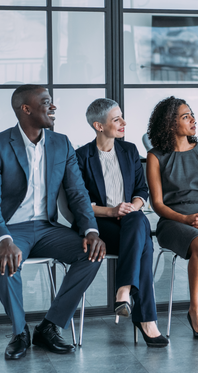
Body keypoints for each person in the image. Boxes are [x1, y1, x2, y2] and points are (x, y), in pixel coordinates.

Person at [0, 84, 106, 360]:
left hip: (46, 229)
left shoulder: (61, 143)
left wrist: (91, 230)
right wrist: (4, 240)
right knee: (6, 262)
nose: (53, 106)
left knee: (92, 254)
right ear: (26, 109)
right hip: (7, 230)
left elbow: (77, 192)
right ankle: (20, 332)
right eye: (46, 102)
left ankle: (50, 326)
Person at [75, 98, 168, 347]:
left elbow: (141, 190)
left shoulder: (129, 152)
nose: (124, 123)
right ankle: (146, 319)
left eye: (122, 117)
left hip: (130, 221)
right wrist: (113, 210)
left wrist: (132, 206)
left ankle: (124, 291)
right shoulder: (81, 157)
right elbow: (81, 204)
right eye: (117, 119)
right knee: (144, 244)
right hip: (100, 225)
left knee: (138, 221)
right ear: (99, 125)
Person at [145, 97, 198, 340]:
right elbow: (158, 204)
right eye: (186, 117)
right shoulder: (155, 156)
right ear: (170, 124)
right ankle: (195, 310)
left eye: (192, 114)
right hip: (173, 220)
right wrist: (186, 219)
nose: (193, 120)